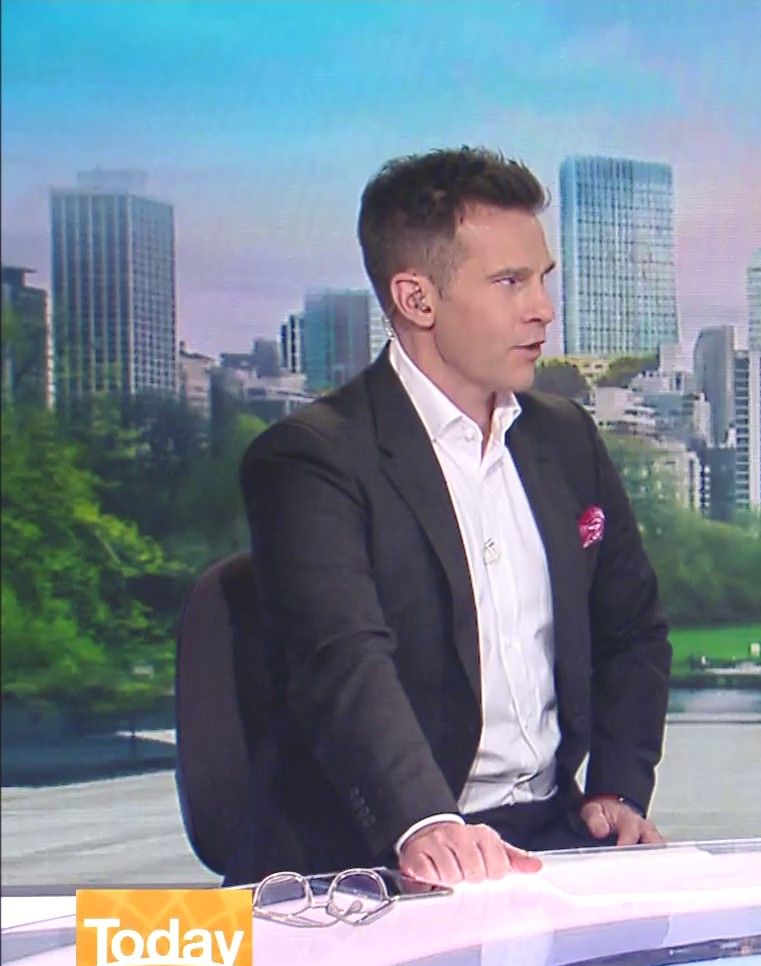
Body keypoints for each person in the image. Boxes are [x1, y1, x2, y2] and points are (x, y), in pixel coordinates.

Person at [231, 147, 673, 887]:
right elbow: (344, 661)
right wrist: (425, 823)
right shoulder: (310, 460)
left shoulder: (567, 439)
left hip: (551, 840)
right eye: (509, 282)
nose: (543, 309)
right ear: (417, 299)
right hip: (363, 863)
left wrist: (618, 787)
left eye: (543, 279)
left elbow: (632, 629)